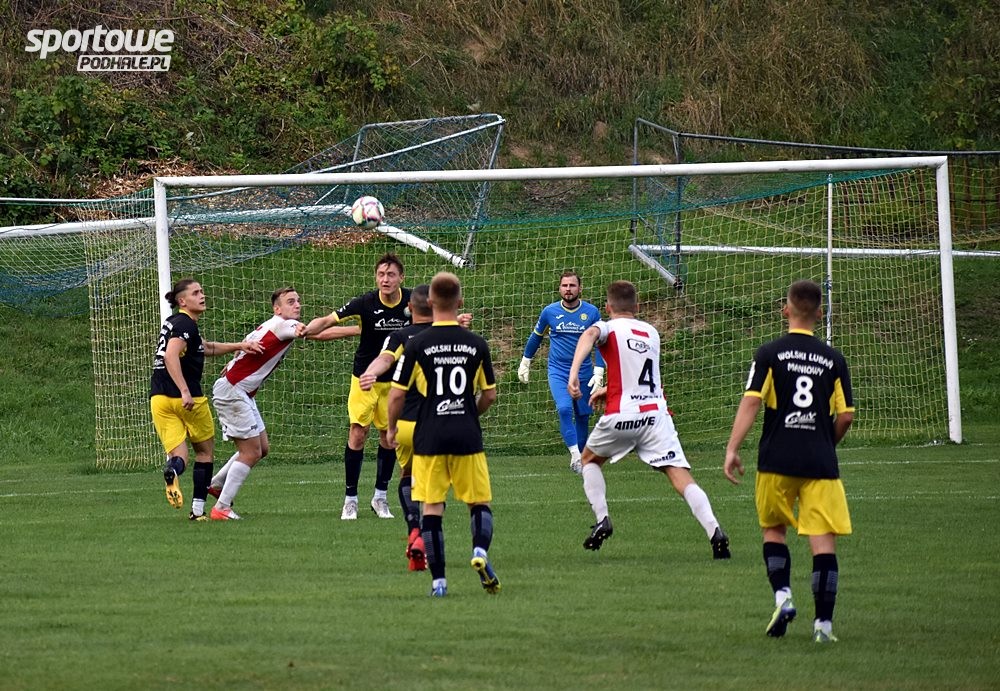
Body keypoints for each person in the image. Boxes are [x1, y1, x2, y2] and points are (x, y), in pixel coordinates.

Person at [723, 279, 855, 643]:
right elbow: (845, 416)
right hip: (820, 462)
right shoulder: (834, 359)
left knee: (774, 530)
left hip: (776, 458)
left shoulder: (769, 353)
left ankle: (783, 597)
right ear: (820, 313)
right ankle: (823, 626)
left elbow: (752, 401)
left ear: (786, 310)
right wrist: (826, 442)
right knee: (822, 541)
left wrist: (733, 448)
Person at [567, 280, 730, 559]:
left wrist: (573, 374)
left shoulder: (609, 327)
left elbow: (590, 334)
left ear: (607, 307)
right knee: (679, 475)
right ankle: (715, 531)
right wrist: (609, 388)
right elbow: (638, 370)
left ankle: (603, 518)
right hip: (656, 415)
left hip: (623, 414)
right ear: (638, 306)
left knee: (589, 460)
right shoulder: (651, 332)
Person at [387, 271, 499, 597]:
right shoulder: (476, 343)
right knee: (478, 502)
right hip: (466, 435)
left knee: (432, 508)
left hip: (429, 437)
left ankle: (439, 582)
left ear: (431, 301)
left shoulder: (416, 345)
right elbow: (489, 395)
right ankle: (479, 551)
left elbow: (396, 395)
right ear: (460, 302)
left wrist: (392, 427)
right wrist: (469, 413)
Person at [207, 287, 349, 520]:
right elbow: (316, 334)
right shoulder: (284, 325)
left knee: (261, 449)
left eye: (298, 300)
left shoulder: (269, 325)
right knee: (251, 452)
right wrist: (360, 329)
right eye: (290, 302)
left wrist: (234, 364)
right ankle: (221, 508)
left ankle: (217, 485)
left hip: (240, 390)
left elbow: (245, 346)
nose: (297, 305)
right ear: (277, 309)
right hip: (233, 391)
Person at [302, 253, 410, 521]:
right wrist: (306, 329)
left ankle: (380, 498)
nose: (385, 279)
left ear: (401, 277)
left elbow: (437, 316)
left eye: (391, 274)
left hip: (395, 381)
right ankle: (350, 500)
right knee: (358, 433)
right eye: (381, 274)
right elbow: (328, 320)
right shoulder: (364, 303)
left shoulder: (411, 302)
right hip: (364, 378)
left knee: (389, 437)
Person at [150, 278, 263, 520]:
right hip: (187, 398)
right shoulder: (185, 325)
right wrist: (184, 390)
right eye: (196, 293)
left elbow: (206, 347)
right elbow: (170, 356)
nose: (202, 295)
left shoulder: (175, 323)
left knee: (180, 456)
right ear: (182, 301)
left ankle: (172, 470)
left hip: (159, 399)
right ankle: (198, 511)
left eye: (202, 291)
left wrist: (239, 346)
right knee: (204, 453)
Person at [359, 284, 433, 571]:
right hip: (444, 421)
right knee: (435, 485)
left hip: (408, 422)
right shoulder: (450, 334)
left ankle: (414, 530)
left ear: (409, 309)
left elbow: (385, 359)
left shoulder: (401, 336)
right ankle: (435, 543)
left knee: (408, 475)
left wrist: (370, 373)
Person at [518, 270, 606, 474]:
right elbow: (536, 336)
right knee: (564, 409)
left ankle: (582, 457)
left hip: (584, 371)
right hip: (558, 371)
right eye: (565, 285)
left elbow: (600, 342)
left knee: (583, 415)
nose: (568, 289)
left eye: (572, 285)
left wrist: (599, 371)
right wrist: (525, 361)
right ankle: (575, 456)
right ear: (559, 288)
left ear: (580, 288)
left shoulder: (591, 312)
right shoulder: (549, 312)